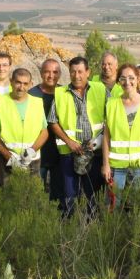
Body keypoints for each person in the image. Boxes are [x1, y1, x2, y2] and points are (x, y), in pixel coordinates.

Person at [49, 56, 107, 217]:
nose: (77, 76)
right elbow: (53, 122)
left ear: (88, 72)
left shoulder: (100, 89)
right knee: (70, 191)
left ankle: (92, 223)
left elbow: (112, 116)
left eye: (80, 71)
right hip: (69, 152)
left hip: (94, 151)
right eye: (73, 72)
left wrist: (100, 139)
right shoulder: (60, 93)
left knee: (92, 190)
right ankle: (70, 225)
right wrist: (69, 142)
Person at [102, 64, 140, 206]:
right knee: (113, 206)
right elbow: (106, 138)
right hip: (117, 167)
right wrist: (106, 165)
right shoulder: (111, 104)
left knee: (138, 207)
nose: (127, 82)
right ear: (118, 81)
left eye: (131, 78)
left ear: (138, 79)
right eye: (123, 78)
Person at [0, 68, 48, 186]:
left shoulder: (37, 102)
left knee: (32, 199)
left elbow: (44, 132)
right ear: (11, 82)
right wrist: (9, 158)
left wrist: (32, 150)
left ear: (30, 84)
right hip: (6, 161)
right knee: (6, 200)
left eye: (25, 84)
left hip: (32, 160)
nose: (21, 87)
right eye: (18, 82)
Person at [28, 58, 64, 204]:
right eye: (47, 72)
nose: (51, 76)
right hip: (38, 151)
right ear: (41, 73)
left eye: (55, 72)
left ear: (60, 74)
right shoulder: (31, 94)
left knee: (58, 193)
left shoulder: (64, 93)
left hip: (59, 152)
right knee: (35, 193)